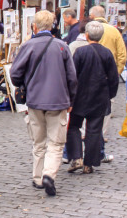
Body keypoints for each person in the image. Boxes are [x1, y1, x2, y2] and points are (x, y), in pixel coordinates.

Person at [11, 10, 77, 195]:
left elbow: (15, 73)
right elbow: (72, 77)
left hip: (34, 100)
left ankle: (38, 177)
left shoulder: (28, 46)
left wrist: (25, 83)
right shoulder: (62, 46)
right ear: (53, 26)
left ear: (34, 26)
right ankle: (49, 175)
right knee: (56, 143)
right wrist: (71, 99)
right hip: (58, 101)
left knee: (38, 141)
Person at [66, 22, 119, 174]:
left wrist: (70, 95)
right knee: (94, 130)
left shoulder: (81, 52)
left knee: (74, 127)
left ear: (87, 35)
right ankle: (89, 163)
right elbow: (114, 78)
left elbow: (73, 75)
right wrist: (110, 95)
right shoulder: (107, 53)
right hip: (99, 96)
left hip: (81, 97)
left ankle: (76, 158)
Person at [87, 6, 126, 162]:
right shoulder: (114, 31)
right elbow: (122, 55)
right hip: (107, 78)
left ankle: (87, 136)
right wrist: (116, 73)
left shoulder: (88, 30)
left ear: (92, 16)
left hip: (89, 77)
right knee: (106, 110)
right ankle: (100, 138)